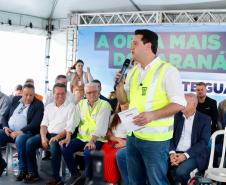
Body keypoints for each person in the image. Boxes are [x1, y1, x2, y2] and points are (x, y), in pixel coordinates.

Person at [114, 29, 186, 185]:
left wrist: (152, 115)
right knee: (135, 181)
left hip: (156, 141)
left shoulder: (168, 71)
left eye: (135, 43)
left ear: (148, 46)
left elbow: (180, 103)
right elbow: (124, 100)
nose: (130, 47)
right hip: (133, 137)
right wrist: (119, 86)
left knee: (157, 181)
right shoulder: (133, 71)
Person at [25, 83, 77, 184]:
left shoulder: (71, 107)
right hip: (48, 133)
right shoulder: (49, 107)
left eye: (62, 93)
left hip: (63, 135)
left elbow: (70, 126)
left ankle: (56, 178)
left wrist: (57, 137)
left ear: (66, 94)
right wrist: (43, 138)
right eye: (57, 94)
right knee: (30, 142)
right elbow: (43, 125)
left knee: (54, 145)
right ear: (53, 94)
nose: (60, 96)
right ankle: (33, 173)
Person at [60, 82, 111, 185]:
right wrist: (68, 137)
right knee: (65, 147)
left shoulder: (105, 105)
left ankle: (88, 178)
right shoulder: (81, 104)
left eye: (94, 92)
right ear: (85, 94)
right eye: (89, 92)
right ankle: (75, 174)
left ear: (99, 92)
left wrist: (92, 141)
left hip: (97, 139)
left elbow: (101, 126)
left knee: (88, 152)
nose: (92, 95)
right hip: (82, 138)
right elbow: (73, 121)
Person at [0, 84, 44, 180]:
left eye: (31, 95)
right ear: (22, 93)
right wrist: (5, 127)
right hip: (9, 131)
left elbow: (35, 123)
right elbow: (4, 116)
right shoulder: (15, 100)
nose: (28, 97)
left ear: (34, 94)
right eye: (26, 94)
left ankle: (23, 170)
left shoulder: (38, 104)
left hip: (27, 132)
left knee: (20, 139)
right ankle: (1, 164)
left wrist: (20, 131)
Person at [168, 93, 211, 185]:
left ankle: (188, 182)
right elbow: (169, 136)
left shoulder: (205, 119)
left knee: (180, 172)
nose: (182, 105)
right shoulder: (175, 116)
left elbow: (203, 142)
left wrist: (185, 155)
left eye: (185, 103)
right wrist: (172, 153)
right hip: (175, 152)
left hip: (194, 154)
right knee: (159, 168)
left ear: (194, 104)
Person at [101, 103, 128, 185]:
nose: (125, 106)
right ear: (119, 105)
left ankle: (113, 181)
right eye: (123, 104)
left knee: (112, 156)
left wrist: (124, 143)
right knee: (101, 154)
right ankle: (107, 179)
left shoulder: (132, 116)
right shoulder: (114, 117)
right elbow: (108, 134)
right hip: (113, 140)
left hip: (126, 141)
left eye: (127, 103)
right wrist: (117, 139)